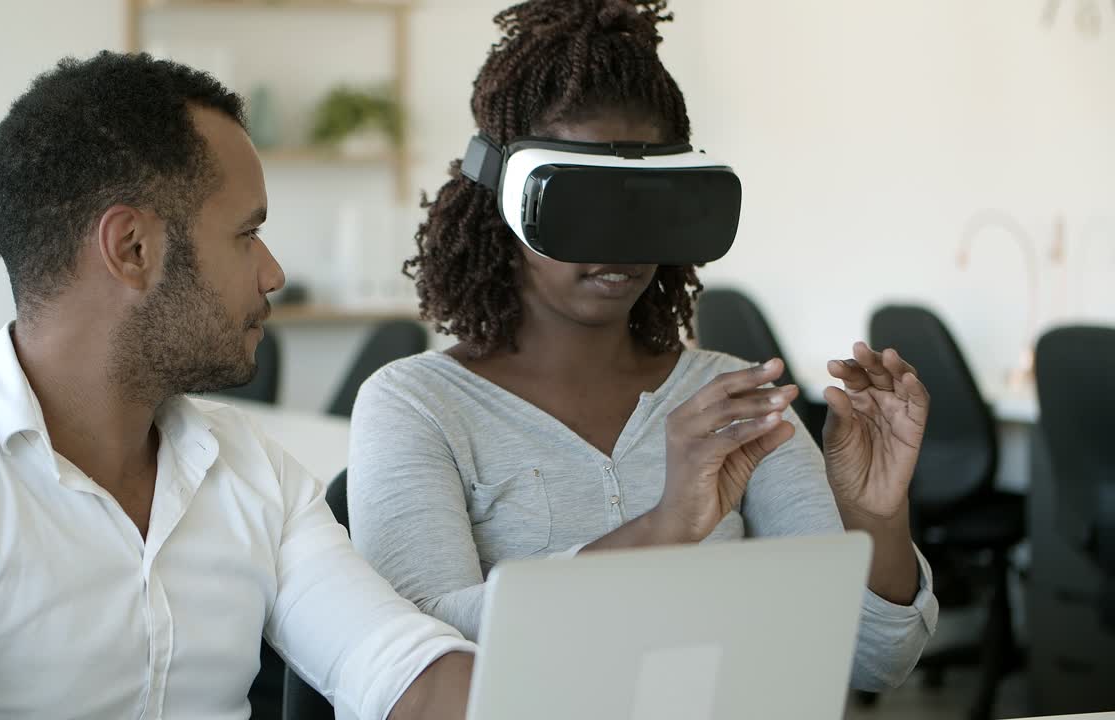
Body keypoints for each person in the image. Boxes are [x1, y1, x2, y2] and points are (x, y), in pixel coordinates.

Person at [0, 52, 474, 720]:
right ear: (133, 249)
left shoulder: (255, 472)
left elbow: (404, 671)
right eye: (247, 233)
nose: (274, 272)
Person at [348, 0, 937, 692]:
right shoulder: (416, 405)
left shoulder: (738, 403)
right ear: (503, 201)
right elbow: (413, 664)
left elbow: (875, 663)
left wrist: (873, 517)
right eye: (584, 205)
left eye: (645, 204)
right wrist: (663, 529)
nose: (621, 245)